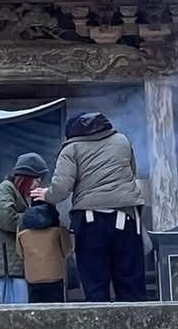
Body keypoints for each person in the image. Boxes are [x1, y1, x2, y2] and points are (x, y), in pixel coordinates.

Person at [47, 112, 147, 302]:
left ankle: (99, 321)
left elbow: (61, 189)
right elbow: (131, 172)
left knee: (95, 285)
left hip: (90, 221)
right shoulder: (122, 140)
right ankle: (134, 321)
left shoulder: (71, 149)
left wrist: (46, 195)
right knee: (131, 284)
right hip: (126, 217)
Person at [0, 153, 49, 303]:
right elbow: (5, 218)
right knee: (16, 308)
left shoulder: (11, 190)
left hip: (8, 264)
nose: (37, 184)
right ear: (26, 177)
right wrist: (31, 218)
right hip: (6, 265)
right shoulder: (5, 189)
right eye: (36, 179)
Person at [16, 199, 73, 304]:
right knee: (56, 309)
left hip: (32, 276)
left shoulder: (22, 228)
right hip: (55, 275)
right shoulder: (58, 226)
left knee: (35, 309)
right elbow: (67, 250)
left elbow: (20, 253)